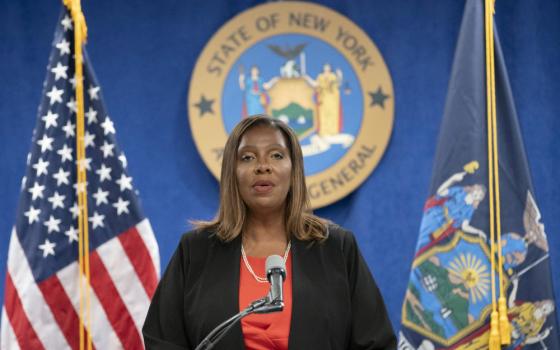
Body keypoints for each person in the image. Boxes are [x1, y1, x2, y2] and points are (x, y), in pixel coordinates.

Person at [142, 115, 396, 349]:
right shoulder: (195, 250)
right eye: (248, 157)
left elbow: (376, 343)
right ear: (232, 172)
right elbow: (162, 341)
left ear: (293, 170)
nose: (263, 166)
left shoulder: (336, 247)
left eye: (276, 155)